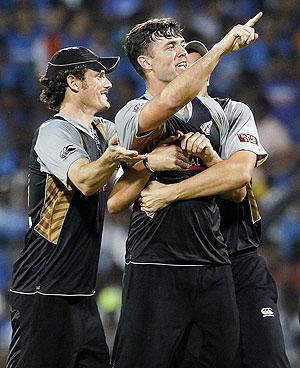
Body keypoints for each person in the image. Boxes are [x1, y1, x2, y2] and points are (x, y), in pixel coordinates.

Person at [109, 14, 263, 368]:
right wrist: (223, 47)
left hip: (213, 262)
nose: (181, 50)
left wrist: (209, 157)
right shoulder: (132, 111)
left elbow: (237, 190)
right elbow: (166, 105)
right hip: (156, 263)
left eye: (182, 43)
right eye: (170, 45)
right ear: (145, 63)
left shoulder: (215, 112)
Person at [139, 40, 291, 368]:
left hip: (238, 260)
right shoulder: (153, 125)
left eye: (198, 67)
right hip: (186, 269)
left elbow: (238, 177)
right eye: (182, 69)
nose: (190, 73)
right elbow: (127, 196)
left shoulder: (233, 112)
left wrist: (202, 162)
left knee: (268, 359)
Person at [6, 46, 147, 368]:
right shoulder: (53, 131)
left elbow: (143, 135)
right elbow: (83, 179)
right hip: (44, 290)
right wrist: (112, 159)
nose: (108, 82)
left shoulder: (103, 130)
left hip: (81, 293)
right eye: (98, 75)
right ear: (73, 82)